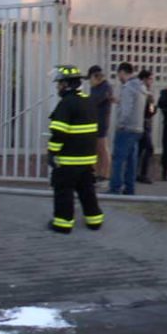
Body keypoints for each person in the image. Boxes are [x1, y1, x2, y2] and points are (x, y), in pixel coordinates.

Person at [47, 65, 103, 234]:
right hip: (87, 159)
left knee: (64, 191)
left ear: (65, 84)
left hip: (69, 160)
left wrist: (52, 152)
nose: (58, 87)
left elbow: (59, 132)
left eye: (59, 84)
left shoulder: (66, 104)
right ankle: (95, 220)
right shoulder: (88, 101)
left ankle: (63, 224)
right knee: (87, 191)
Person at [108, 62, 147, 195]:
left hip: (126, 128)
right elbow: (133, 105)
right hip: (137, 128)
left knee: (118, 159)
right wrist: (119, 101)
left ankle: (115, 187)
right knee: (131, 160)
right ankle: (129, 188)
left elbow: (127, 109)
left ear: (123, 72)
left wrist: (121, 123)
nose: (118, 77)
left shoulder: (128, 87)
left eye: (119, 74)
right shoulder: (141, 86)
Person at [87, 65, 113, 183]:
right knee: (95, 148)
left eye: (91, 78)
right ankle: (97, 172)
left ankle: (105, 173)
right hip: (93, 120)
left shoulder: (105, 86)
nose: (90, 81)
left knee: (102, 147)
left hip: (102, 120)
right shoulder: (94, 87)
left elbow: (96, 100)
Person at [136, 69, 156, 184]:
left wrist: (153, 108)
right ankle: (142, 174)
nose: (151, 81)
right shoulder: (143, 92)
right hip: (142, 123)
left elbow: (151, 110)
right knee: (148, 148)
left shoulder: (148, 92)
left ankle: (137, 173)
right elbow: (149, 110)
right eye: (150, 79)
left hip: (146, 123)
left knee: (140, 150)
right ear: (144, 79)